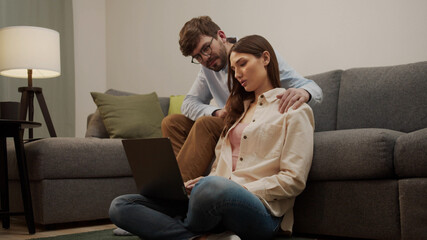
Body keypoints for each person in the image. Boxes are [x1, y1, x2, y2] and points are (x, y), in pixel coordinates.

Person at [109, 35, 314, 240]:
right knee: (120, 205)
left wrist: (231, 187)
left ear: (266, 58)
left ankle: (177, 226)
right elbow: (218, 169)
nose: (238, 74)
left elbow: (293, 180)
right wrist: (206, 182)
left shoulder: (294, 111)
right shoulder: (236, 114)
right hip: (217, 200)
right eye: (234, 70)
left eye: (243, 64)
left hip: (262, 211)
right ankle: (198, 237)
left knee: (209, 188)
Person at [162, 16, 321, 182]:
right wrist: (217, 112)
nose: (205, 58)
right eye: (198, 57)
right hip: (229, 119)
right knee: (171, 123)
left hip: (249, 120)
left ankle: (174, 190)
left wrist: (304, 92)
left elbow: (312, 87)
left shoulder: (254, 53)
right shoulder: (207, 68)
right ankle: (183, 183)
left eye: (206, 49)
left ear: (221, 36)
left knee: (205, 124)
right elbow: (188, 104)